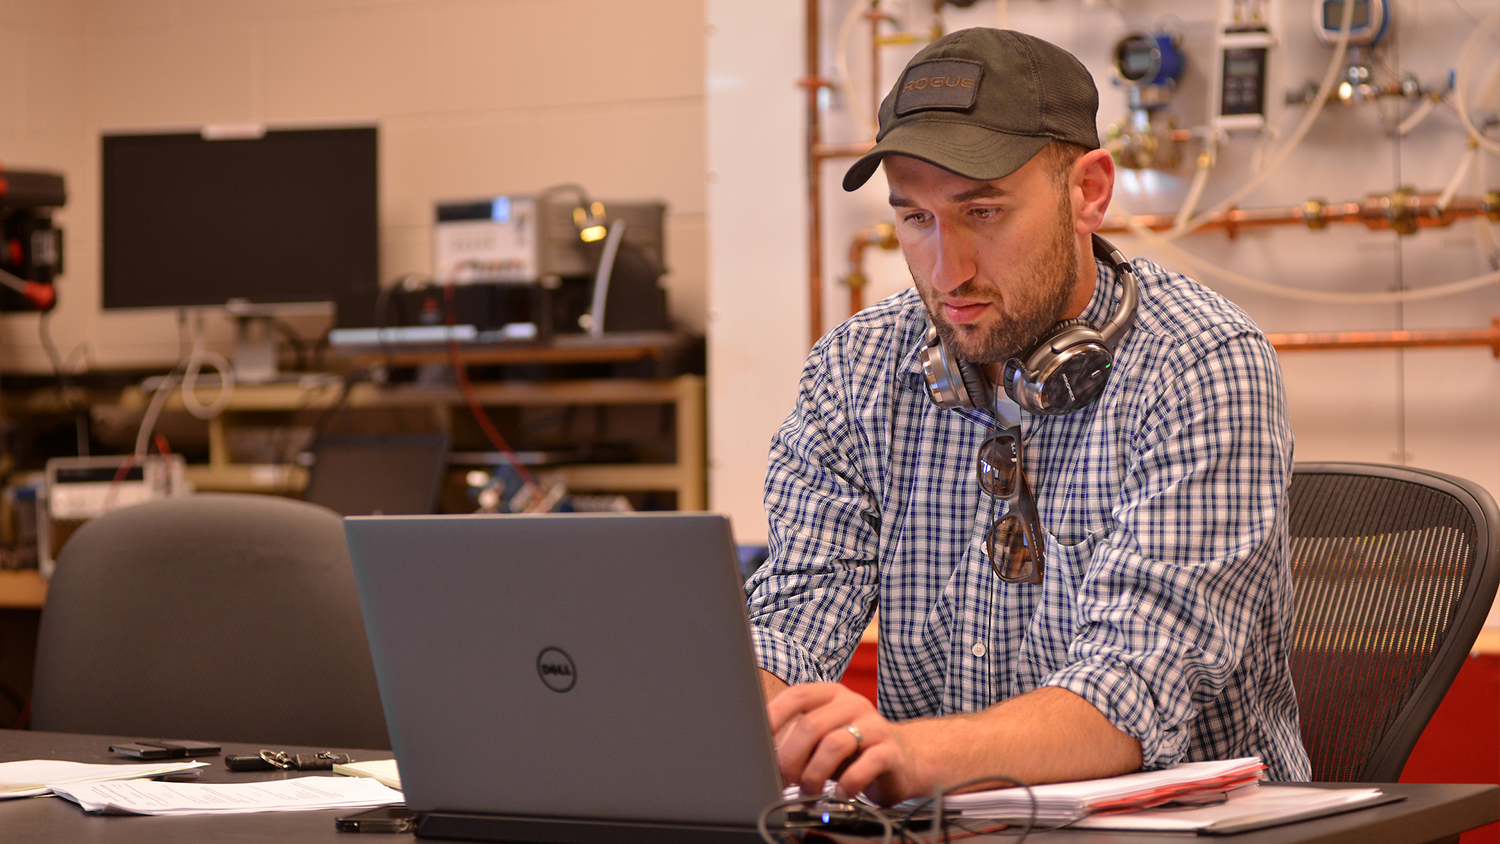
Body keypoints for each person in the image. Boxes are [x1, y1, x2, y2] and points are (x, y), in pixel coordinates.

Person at [745, 27, 1310, 807]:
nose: (948, 272)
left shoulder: (1202, 364)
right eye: (916, 220)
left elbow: (1127, 694)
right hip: (948, 824)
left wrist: (904, 751)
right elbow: (791, 618)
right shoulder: (857, 370)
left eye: (983, 212)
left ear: (1089, 193)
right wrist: (728, 717)